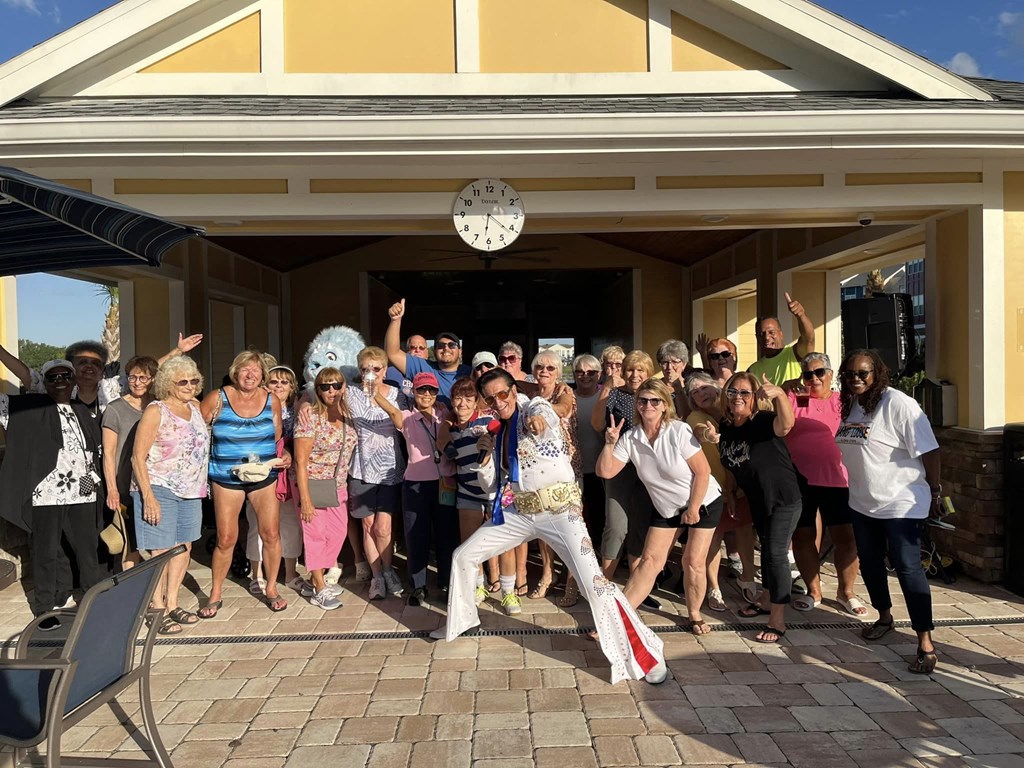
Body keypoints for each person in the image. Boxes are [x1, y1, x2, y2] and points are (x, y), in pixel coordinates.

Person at [431, 368, 668, 686]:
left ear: (514, 391)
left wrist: (544, 417)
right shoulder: (498, 431)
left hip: (559, 513)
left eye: (503, 394)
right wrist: (486, 455)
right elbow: (492, 486)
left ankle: (646, 655)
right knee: (463, 555)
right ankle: (461, 621)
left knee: (595, 589)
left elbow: (546, 413)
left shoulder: (532, 407)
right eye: (491, 399)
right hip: (518, 512)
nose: (498, 401)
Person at [836, 349, 940, 674]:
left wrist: (936, 491)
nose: (856, 379)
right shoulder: (851, 403)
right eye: (850, 373)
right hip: (863, 503)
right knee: (869, 563)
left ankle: (925, 642)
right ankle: (884, 617)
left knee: (908, 568)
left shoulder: (899, 404)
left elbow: (930, 450)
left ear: (878, 373)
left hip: (901, 503)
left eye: (863, 373)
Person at [598, 379, 722, 634]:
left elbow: (702, 472)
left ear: (665, 405)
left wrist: (693, 509)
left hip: (703, 501)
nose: (648, 405)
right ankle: (618, 619)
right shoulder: (631, 438)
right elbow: (606, 471)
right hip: (667, 509)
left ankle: (695, 615)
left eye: (655, 400)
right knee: (649, 562)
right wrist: (610, 444)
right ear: (637, 404)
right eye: (643, 400)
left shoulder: (678, 430)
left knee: (693, 562)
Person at [0, 360, 104, 628]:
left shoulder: (83, 411)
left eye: (65, 375)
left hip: (83, 492)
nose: (60, 380)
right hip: (47, 494)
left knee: (87, 552)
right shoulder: (31, 408)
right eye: (53, 376)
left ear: (73, 380)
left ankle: (95, 605)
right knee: (46, 553)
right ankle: (45, 609)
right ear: (44, 382)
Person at [702, 371, 800, 644]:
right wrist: (732, 490)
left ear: (756, 397)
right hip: (757, 498)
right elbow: (733, 461)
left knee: (775, 553)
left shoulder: (764, 420)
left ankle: (777, 620)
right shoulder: (728, 425)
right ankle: (767, 600)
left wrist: (780, 395)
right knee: (768, 550)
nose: (738, 398)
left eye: (745, 393)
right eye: (733, 392)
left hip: (782, 498)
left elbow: (786, 425)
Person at [199, 350, 290, 617]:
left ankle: (271, 588)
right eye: (244, 370)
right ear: (234, 372)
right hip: (226, 477)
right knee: (226, 538)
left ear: (263, 375)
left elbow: (277, 436)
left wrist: (284, 455)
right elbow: (194, 431)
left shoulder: (271, 399)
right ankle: (215, 594)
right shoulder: (217, 398)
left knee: (271, 533)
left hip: (263, 475)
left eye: (256, 370)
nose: (250, 375)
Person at [131, 356, 209, 634]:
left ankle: (173, 602)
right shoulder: (156, 410)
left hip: (192, 489)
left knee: (184, 547)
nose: (190, 385)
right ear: (168, 383)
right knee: (160, 551)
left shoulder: (197, 408)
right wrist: (148, 496)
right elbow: (137, 458)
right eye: (183, 381)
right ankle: (156, 608)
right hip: (159, 487)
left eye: (194, 380)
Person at [784, 353, 867, 616]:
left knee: (848, 538)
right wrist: (785, 388)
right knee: (803, 536)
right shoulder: (794, 398)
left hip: (839, 479)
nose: (814, 379)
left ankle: (846, 592)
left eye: (819, 372)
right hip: (801, 479)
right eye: (808, 374)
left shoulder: (846, 402)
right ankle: (814, 591)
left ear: (831, 374)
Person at [374, 371, 459, 606]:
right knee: (416, 535)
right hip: (416, 484)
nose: (427, 394)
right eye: (422, 390)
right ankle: (418, 585)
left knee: (446, 535)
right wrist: (374, 392)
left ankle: (446, 581)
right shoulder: (407, 418)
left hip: (445, 482)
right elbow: (391, 411)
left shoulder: (445, 414)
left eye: (431, 390)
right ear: (414, 392)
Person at [684, 372, 761, 609]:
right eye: (695, 392)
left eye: (705, 387)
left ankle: (748, 578)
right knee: (713, 538)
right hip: (713, 491)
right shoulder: (695, 417)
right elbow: (698, 430)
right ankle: (714, 588)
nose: (702, 393)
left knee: (744, 532)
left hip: (740, 486)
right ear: (692, 400)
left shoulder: (733, 414)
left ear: (717, 389)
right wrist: (708, 434)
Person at [590, 350, 658, 608]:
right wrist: (606, 390)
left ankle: (635, 587)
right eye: (630, 369)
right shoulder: (615, 394)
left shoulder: (656, 396)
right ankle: (604, 586)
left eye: (640, 370)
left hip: (648, 471)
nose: (634, 374)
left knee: (640, 527)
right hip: (619, 467)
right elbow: (597, 424)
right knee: (616, 526)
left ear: (648, 373)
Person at [437, 377, 512, 609]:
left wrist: (489, 437)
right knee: (470, 543)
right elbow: (444, 447)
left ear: (476, 401)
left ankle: (509, 592)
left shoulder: (487, 421)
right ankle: (478, 585)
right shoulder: (448, 428)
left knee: (504, 544)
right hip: (467, 492)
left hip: (494, 492)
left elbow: (501, 431)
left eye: (468, 399)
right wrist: (444, 430)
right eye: (458, 398)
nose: (462, 404)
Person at [0, 333, 203, 417]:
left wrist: (178, 351)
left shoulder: (110, 388)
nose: (89, 367)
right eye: (83, 363)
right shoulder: (59, 389)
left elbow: (146, 370)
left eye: (95, 364)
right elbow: (25, 374)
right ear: (72, 368)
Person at [293, 367, 358, 610]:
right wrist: (306, 500)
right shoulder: (310, 417)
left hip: (338, 485)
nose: (332, 390)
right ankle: (319, 586)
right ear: (317, 390)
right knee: (315, 536)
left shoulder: (347, 414)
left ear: (344, 387)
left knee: (338, 534)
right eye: (325, 386)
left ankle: (315, 578)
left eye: (336, 385)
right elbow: (300, 460)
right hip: (313, 484)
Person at [348, 346, 406, 600]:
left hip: (390, 468)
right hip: (360, 467)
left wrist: (376, 396)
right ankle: (377, 576)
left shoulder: (397, 395)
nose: (370, 373)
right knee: (368, 524)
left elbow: (401, 422)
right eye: (365, 369)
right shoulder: (349, 394)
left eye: (375, 368)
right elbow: (316, 393)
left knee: (383, 527)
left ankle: (388, 568)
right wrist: (305, 405)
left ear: (385, 370)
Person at [527, 349, 582, 604]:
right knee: (543, 525)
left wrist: (540, 411)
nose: (545, 372)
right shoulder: (532, 392)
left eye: (550, 368)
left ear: (558, 372)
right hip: (540, 469)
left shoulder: (564, 392)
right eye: (540, 367)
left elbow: (563, 408)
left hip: (567, 469)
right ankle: (548, 574)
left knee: (571, 526)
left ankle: (571, 581)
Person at [246, 365, 304, 594]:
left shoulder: (298, 410)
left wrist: (289, 450)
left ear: (292, 387)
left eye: (284, 382)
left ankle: (290, 572)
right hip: (261, 473)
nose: (279, 386)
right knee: (257, 524)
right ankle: (256, 573)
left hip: (288, 476)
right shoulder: (255, 408)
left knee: (289, 524)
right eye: (274, 382)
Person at [101, 355, 159, 570]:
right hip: (126, 485)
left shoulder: (159, 405)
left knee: (158, 543)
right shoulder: (115, 409)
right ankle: (132, 588)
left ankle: (157, 592)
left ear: (152, 379)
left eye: (143, 377)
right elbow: (109, 453)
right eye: (132, 377)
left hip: (157, 483)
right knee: (130, 544)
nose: (136, 382)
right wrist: (112, 489)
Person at [384, 299, 470, 405]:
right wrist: (395, 320)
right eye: (441, 345)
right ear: (433, 351)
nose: (446, 348)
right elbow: (392, 353)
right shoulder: (423, 367)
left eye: (452, 345)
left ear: (460, 351)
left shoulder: (471, 373)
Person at [572, 354, 606, 548]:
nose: (585, 376)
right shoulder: (567, 397)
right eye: (580, 372)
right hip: (573, 467)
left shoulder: (606, 397)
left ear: (599, 374)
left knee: (598, 512)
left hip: (598, 467)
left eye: (590, 372)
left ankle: (600, 553)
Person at [747, 292, 814, 386]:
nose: (766, 337)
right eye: (761, 334)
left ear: (781, 334)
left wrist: (801, 315)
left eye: (771, 332)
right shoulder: (752, 370)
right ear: (757, 338)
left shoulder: (794, 354)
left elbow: (808, 338)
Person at [384, 334, 429, 399]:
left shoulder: (434, 373)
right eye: (413, 347)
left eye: (421, 348)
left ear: (427, 353)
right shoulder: (390, 372)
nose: (417, 350)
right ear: (407, 351)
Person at [655, 340, 689, 416]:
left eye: (674, 362)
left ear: (683, 365)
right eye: (665, 362)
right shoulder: (655, 386)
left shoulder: (691, 386)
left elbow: (685, 416)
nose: (669, 367)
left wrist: (679, 389)